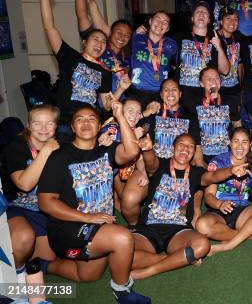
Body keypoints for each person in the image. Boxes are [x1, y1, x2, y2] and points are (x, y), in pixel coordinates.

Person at [37, 103, 150, 303]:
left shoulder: (106, 151)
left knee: (88, 276)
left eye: (91, 119)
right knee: (123, 238)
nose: (86, 122)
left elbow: (132, 151)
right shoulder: (59, 158)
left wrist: (119, 116)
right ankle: (122, 290)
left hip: (98, 224)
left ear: (99, 126)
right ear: (72, 127)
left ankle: (44, 265)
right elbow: (46, 203)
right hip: (68, 228)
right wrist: (88, 217)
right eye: (80, 119)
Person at [37, 0, 122, 141]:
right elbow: (49, 27)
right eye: (95, 39)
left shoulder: (105, 71)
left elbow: (106, 104)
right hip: (65, 124)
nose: (100, 44)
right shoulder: (69, 57)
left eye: (103, 42)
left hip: (90, 125)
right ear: (85, 42)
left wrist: (121, 89)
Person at [130, 133, 211, 279]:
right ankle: (176, 260)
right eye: (181, 144)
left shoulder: (196, 172)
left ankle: (149, 271)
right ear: (173, 148)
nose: (185, 148)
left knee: (202, 245)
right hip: (148, 228)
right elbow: (150, 163)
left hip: (178, 230)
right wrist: (148, 150)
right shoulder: (161, 164)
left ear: (194, 152)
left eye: (190, 146)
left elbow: (212, 177)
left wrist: (231, 170)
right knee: (124, 253)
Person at [0, 105, 59, 286]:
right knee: (24, 237)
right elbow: (25, 184)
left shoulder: (61, 145)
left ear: (56, 126)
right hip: (15, 205)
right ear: (28, 125)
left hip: (42, 208)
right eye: (37, 123)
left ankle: (21, 259)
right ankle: (15, 277)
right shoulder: (16, 147)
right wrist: (47, 150)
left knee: (48, 257)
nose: (43, 129)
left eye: (49, 123)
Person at [195, 128, 252, 255]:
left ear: (251, 145)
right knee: (201, 225)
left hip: (242, 212)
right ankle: (247, 234)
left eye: (244, 142)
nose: (240, 146)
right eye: (236, 141)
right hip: (218, 212)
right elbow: (208, 196)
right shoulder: (218, 162)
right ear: (229, 142)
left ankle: (229, 245)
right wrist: (219, 204)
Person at [73, 0, 133, 97]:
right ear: (110, 32)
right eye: (119, 32)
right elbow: (82, 14)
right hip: (94, 99)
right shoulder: (99, 47)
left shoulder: (127, 56)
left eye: (127, 35)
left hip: (118, 102)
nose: (122, 37)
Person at [97, 98, 149, 226]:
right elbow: (116, 150)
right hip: (104, 174)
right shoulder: (113, 126)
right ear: (119, 112)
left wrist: (143, 172)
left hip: (123, 172)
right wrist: (102, 140)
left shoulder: (137, 130)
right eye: (130, 110)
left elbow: (140, 159)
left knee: (128, 201)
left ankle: (135, 226)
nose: (135, 115)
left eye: (138, 112)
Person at [177, 0, 229, 110]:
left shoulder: (216, 40)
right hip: (183, 96)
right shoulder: (179, 38)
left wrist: (219, 48)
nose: (201, 14)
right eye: (198, 12)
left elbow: (225, 71)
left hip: (208, 95)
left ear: (209, 20)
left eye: (205, 12)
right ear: (192, 18)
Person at [144, 79, 203, 166]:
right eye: (166, 90)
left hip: (181, 166)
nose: (170, 93)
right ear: (161, 95)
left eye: (174, 89)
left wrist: (199, 168)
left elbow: (197, 148)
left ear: (180, 94)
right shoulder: (152, 114)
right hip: (155, 165)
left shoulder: (190, 118)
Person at [129, 10, 178, 107]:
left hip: (159, 94)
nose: (160, 24)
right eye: (158, 19)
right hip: (136, 92)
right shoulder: (137, 37)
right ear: (150, 21)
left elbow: (178, 65)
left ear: (167, 28)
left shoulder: (172, 44)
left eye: (165, 22)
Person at [190, 67, 232, 163]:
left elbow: (237, 125)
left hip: (226, 155)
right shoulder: (194, 104)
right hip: (203, 156)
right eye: (209, 79)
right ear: (201, 83)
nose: (214, 81)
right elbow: (194, 134)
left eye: (217, 78)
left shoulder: (229, 102)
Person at [216, 7, 243, 127]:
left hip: (234, 88)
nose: (232, 22)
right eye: (228, 18)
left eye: (235, 19)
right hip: (218, 89)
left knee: (235, 122)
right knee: (221, 124)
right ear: (221, 21)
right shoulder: (213, 38)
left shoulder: (238, 37)